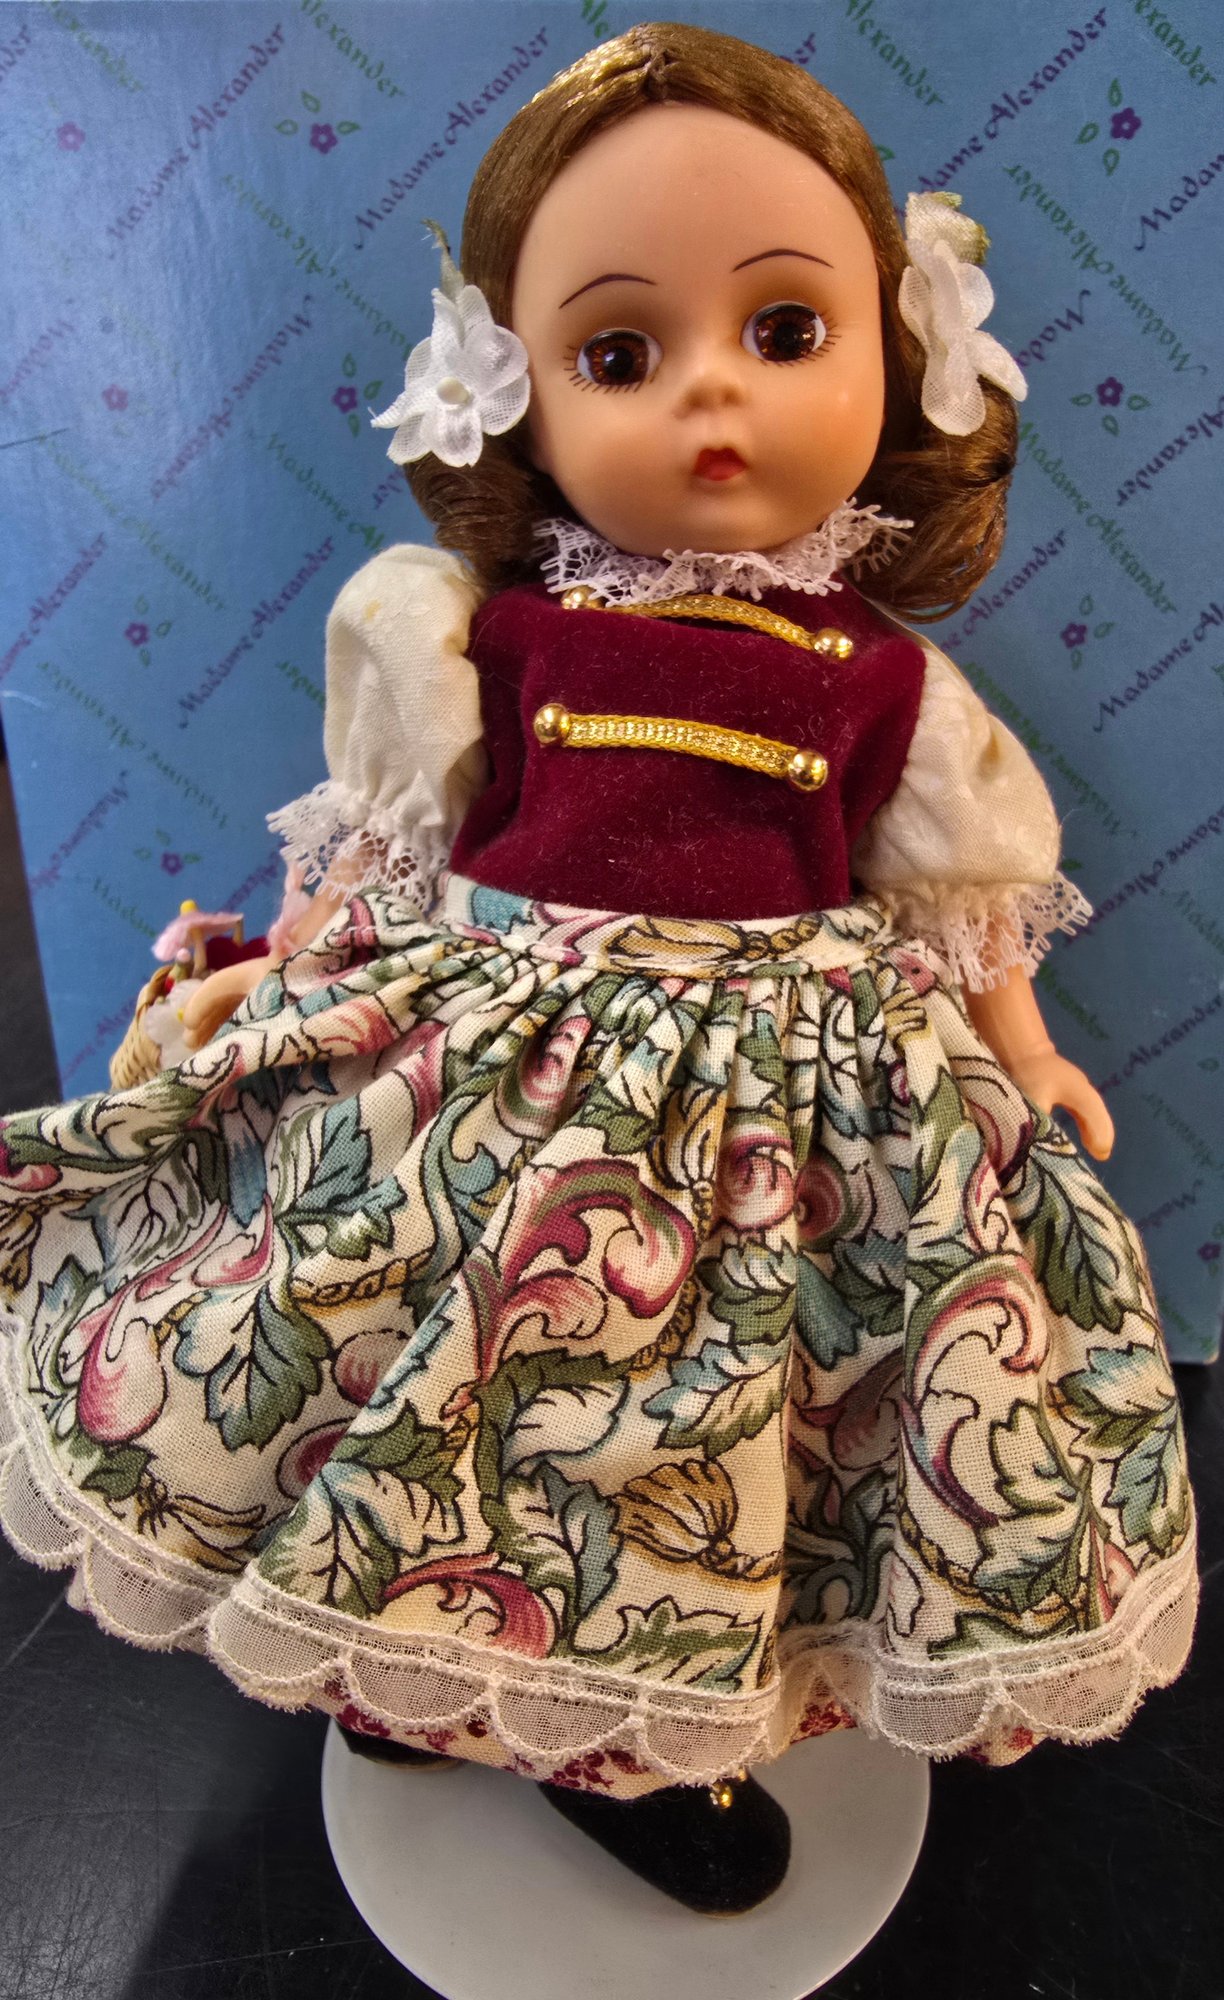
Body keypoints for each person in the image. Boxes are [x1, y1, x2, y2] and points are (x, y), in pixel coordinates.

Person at [0, 24, 1196, 1916]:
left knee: (687, 1427)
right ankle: (407, 1648)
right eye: (620, 355)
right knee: (426, 1366)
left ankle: (628, 1730)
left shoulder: (883, 687)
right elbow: (393, 842)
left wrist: (1023, 1048)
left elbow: (957, 905)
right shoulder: (484, 636)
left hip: (781, 1118)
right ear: (520, 402)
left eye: (784, 330)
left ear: (898, 356)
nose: (711, 392)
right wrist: (282, 970)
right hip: (495, 1076)